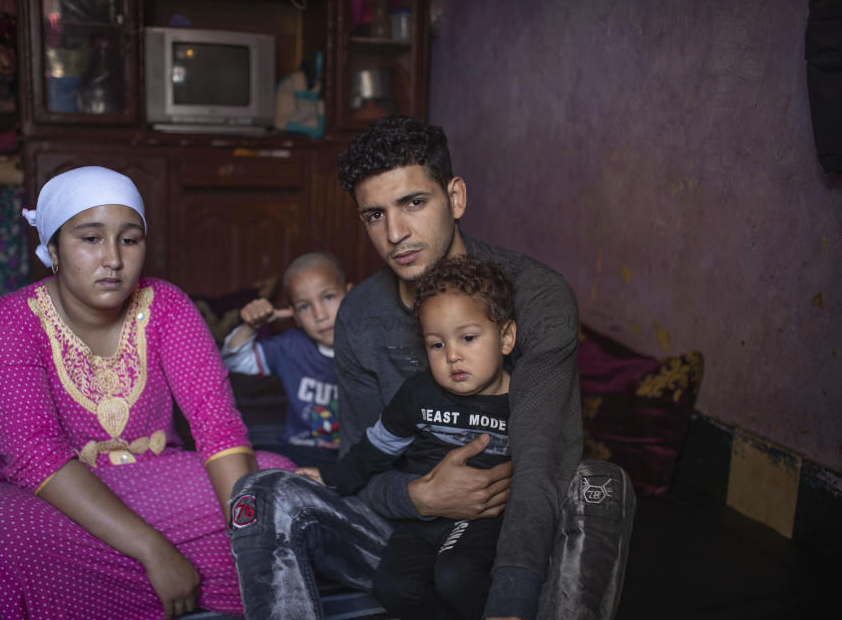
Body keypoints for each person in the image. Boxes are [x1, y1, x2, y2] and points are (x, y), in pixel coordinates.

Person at [229, 116, 635, 620]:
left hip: (515, 531)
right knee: (261, 492)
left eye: (413, 203)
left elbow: (542, 466)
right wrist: (419, 497)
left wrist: (508, 603)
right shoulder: (359, 316)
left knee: (599, 486)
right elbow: (364, 461)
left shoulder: (535, 296)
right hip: (408, 531)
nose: (396, 233)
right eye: (375, 215)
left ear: (456, 197)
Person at [0, 166, 295, 620]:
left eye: (129, 239)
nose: (113, 259)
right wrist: (154, 551)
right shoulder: (12, 321)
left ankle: (90, 597)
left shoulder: (168, 305)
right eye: (90, 239)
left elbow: (217, 425)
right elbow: (34, 457)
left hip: (162, 483)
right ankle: (190, 579)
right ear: (53, 248)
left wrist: (249, 538)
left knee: (275, 480)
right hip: (63, 499)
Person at [298, 255, 517, 619]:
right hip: (422, 516)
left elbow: (544, 466)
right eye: (436, 344)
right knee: (393, 588)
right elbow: (376, 446)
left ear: (506, 337)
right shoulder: (418, 394)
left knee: (456, 576)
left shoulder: (522, 398)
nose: (452, 356)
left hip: (482, 517)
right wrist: (332, 477)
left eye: (468, 338)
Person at [221, 251, 351, 466]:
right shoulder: (290, 346)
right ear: (295, 317)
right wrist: (250, 327)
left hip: (356, 455)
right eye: (305, 307)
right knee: (248, 461)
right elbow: (231, 361)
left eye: (328, 297)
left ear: (350, 294)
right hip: (300, 450)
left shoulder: (372, 344)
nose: (320, 316)